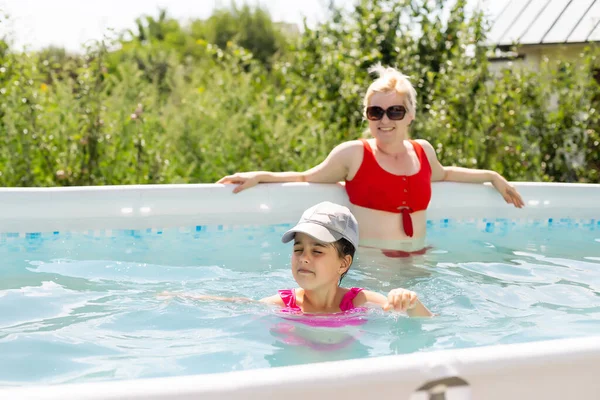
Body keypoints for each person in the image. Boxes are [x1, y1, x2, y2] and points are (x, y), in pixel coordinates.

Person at [217, 65, 525, 255]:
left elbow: (444, 174)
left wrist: (493, 176)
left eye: (395, 111)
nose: (385, 120)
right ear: (367, 115)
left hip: (420, 259)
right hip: (374, 265)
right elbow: (306, 176)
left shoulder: (422, 151)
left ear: (410, 115)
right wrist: (259, 176)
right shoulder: (354, 154)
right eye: (375, 112)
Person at [162, 201, 433, 318]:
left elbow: (424, 319)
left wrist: (409, 301)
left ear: (344, 263)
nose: (304, 258)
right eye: (298, 249)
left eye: (317, 251)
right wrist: (185, 298)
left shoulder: (358, 302)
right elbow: (239, 306)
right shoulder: (285, 304)